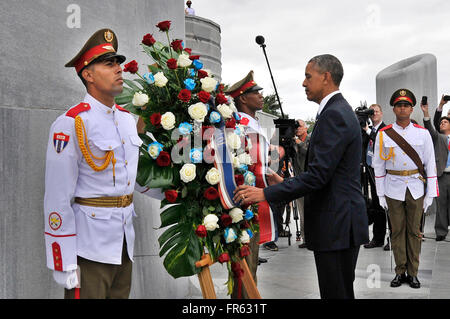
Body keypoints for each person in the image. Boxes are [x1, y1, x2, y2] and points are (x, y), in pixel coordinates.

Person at [233, 54, 369, 299]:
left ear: (326, 77)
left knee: (336, 293)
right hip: (339, 220)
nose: (303, 83)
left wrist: (264, 192)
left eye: (308, 76)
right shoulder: (335, 111)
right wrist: (284, 183)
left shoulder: (334, 114)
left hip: (336, 222)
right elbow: (328, 173)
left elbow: (318, 176)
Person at [44, 29, 161, 299]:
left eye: (118, 63)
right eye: (109, 64)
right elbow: (57, 197)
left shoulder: (126, 120)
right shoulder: (71, 123)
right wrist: (62, 261)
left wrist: (173, 193)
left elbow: (132, 177)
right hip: (89, 246)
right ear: (88, 74)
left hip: (123, 241)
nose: (119, 69)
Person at [373, 88, 437, 289]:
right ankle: (400, 271)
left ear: (411, 108)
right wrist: (380, 193)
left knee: (415, 232)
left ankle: (414, 272)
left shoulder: (423, 133)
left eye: (406, 105)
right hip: (393, 188)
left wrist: (430, 195)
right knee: (396, 231)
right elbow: (378, 166)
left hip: (416, 187)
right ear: (394, 108)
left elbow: (430, 164)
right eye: (399, 105)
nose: (403, 108)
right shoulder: (384, 134)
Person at [224, 70, 278, 298]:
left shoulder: (252, 125)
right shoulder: (241, 126)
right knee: (245, 264)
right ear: (243, 98)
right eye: (255, 92)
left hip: (255, 199)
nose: (261, 95)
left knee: (249, 263)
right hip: (246, 202)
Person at [421, 101, 450, 241]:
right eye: (441, 122)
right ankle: (441, 231)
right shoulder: (439, 137)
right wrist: (426, 112)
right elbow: (430, 126)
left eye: (446, 121)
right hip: (442, 175)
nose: (442, 123)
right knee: (441, 205)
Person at [362, 104, 390, 250]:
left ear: (382, 113)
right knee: (377, 206)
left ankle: (391, 238)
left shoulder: (385, 129)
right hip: (372, 171)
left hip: (384, 173)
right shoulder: (368, 129)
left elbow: (381, 141)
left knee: (388, 207)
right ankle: (377, 238)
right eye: (371, 112)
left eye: (376, 111)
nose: (374, 114)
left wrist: (367, 131)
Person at [292, 119, 310, 248]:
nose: (297, 128)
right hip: (298, 179)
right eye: (296, 126)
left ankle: (312, 237)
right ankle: (305, 238)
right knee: (302, 210)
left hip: (310, 179)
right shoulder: (292, 141)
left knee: (310, 210)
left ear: (305, 128)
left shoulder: (310, 138)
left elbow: (307, 151)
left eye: (300, 126)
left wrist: (296, 141)